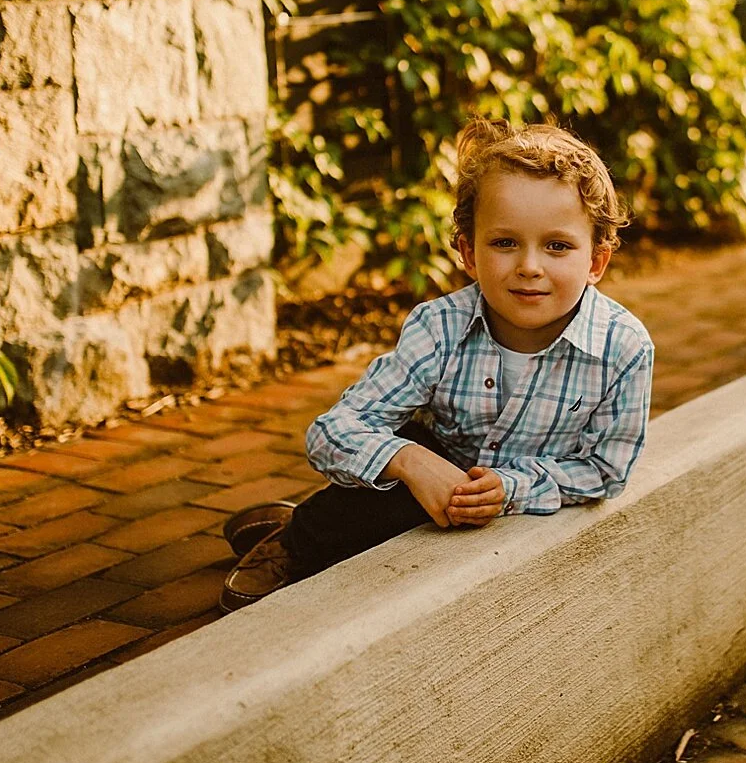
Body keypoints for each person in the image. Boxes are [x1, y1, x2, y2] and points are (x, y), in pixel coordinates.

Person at [218, 118, 655, 612]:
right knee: (383, 492)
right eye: (505, 243)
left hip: (517, 499)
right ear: (469, 252)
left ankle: (290, 520)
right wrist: (411, 462)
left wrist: (511, 487)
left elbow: (605, 469)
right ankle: (295, 542)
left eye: (557, 246)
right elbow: (333, 430)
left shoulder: (623, 348)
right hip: (423, 489)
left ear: (596, 261)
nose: (529, 266)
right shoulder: (439, 326)